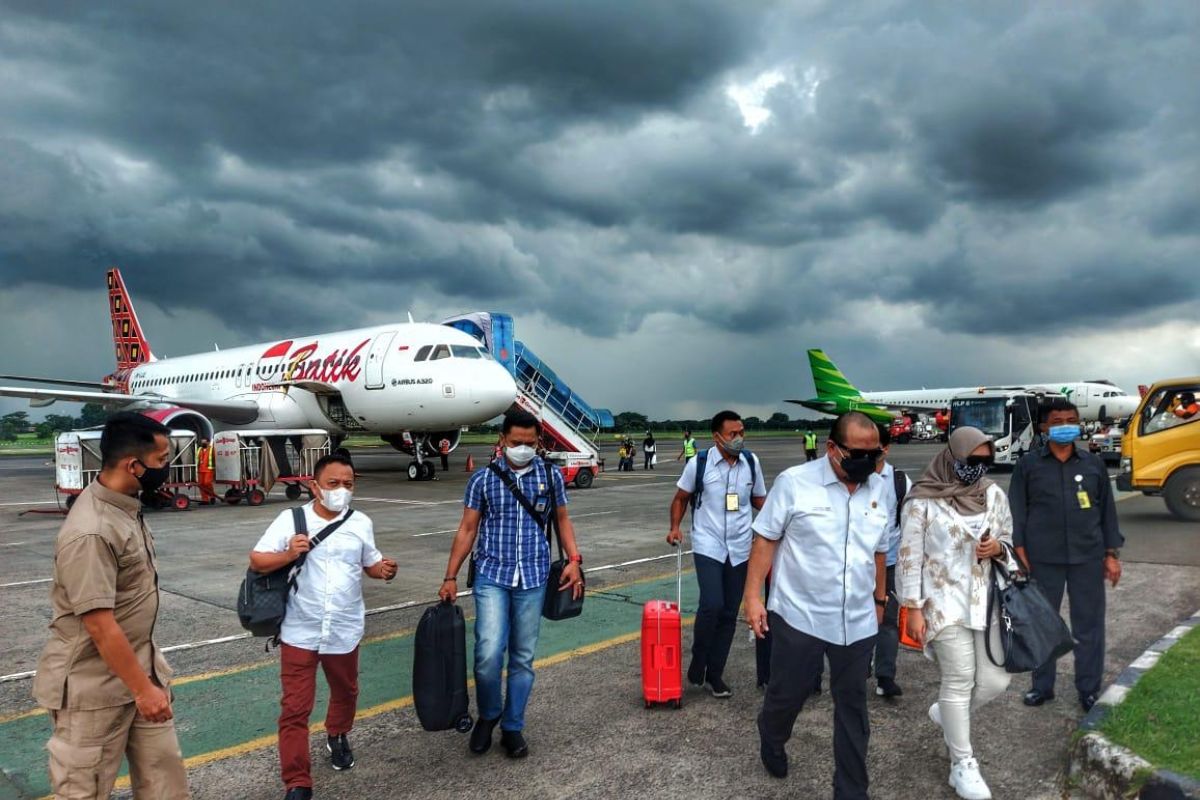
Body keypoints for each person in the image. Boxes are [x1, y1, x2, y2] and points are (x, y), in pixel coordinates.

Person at [32, 412, 191, 799]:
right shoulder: (92, 530)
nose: (166, 468)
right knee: (84, 790)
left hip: (142, 670)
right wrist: (144, 691)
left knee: (166, 784)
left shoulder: (124, 506)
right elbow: (100, 625)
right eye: (161, 460)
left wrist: (148, 682)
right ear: (132, 465)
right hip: (94, 689)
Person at [745, 411, 890, 796]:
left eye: (873, 454)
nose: (867, 462)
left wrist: (880, 598)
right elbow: (765, 539)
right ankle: (772, 734)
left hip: (857, 620)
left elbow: (879, 549)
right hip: (800, 616)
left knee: (853, 707)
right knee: (786, 695)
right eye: (857, 453)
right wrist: (753, 597)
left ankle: (851, 790)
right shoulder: (795, 483)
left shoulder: (879, 487)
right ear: (831, 448)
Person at [250, 453, 397, 800]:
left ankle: (338, 733)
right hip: (300, 628)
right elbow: (257, 560)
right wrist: (287, 554)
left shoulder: (361, 522)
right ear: (315, 486)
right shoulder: (292, 519)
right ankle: (297, 782)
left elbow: (370, 563)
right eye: (333, 484)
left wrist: (383, 569)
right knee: (295, 708)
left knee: (346, 691)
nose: (341, 490)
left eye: (348, 484)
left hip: (344, 628)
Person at [440, 409, 584, 758]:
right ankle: (489, 715)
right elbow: (467, 529)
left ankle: (513, 727)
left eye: (530, 443)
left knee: (522, 657)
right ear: (502, 440)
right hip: (493, 576)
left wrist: (574, 561)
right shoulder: (483, 479)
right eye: (516, 442)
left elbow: (562, 521)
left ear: (539, 442)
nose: (523, 448)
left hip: (533, 577)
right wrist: (450, 575)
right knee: (488, 654)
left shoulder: (550, 477)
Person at [899, 427, 1017, 800]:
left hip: (985, 603)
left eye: (986, 461)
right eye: (971, 461)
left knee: (996, 681)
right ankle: (962, 764)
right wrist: (912, 608)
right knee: (959, 678)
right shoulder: (922, 501)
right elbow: (908, 558)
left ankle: (945, 714)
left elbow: (1010, 542)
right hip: (941, 604)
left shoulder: (994, 495)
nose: (978, 469)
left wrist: (998, 548)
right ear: (953, 458)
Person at [1009, 398, 1123, 712]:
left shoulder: (1092, 464)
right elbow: (1017, 513)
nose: (1064, 426)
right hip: (1042, 559)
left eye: (1070, 420)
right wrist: (1020, 555)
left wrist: (1111, 554)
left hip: (1088, 557)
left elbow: (1106, 513)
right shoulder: (1028, 466)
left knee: (1089, 626)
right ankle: (1041, 687)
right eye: (1057, 421)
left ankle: (1088, 688)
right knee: (1044, 625)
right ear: (1044, 427)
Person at [667, 410, 767, 697]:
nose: (739, 438)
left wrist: (782, 519)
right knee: (711, 604)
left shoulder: (750, 462)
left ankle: (716, 674)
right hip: (708, 543)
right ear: (717, 436)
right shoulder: (700, 463)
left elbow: (759, 498)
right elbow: (681, 498)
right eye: (733, 434)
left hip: (739, 546)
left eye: (742, 432)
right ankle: (699, 660)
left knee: (727, 612)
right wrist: (674, 526)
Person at [873, 423, 911, 699]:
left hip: (890, 562)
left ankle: (885, 676)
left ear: (885, 448)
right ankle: (855, 668)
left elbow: (912, 523)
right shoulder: (848, 477)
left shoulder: (900, 481)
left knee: (888, 620)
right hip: (856, 563)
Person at [196, 437, 216, 504]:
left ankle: (212, 496)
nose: (203, 443)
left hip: (209, 469)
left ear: (208, 442)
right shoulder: (199, 449)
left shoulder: (211, 449)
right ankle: (205, 499)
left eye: (204, 442)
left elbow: (214, 458)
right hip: (200, 469)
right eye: (202, 442)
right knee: (201, 484)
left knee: (207, 483)